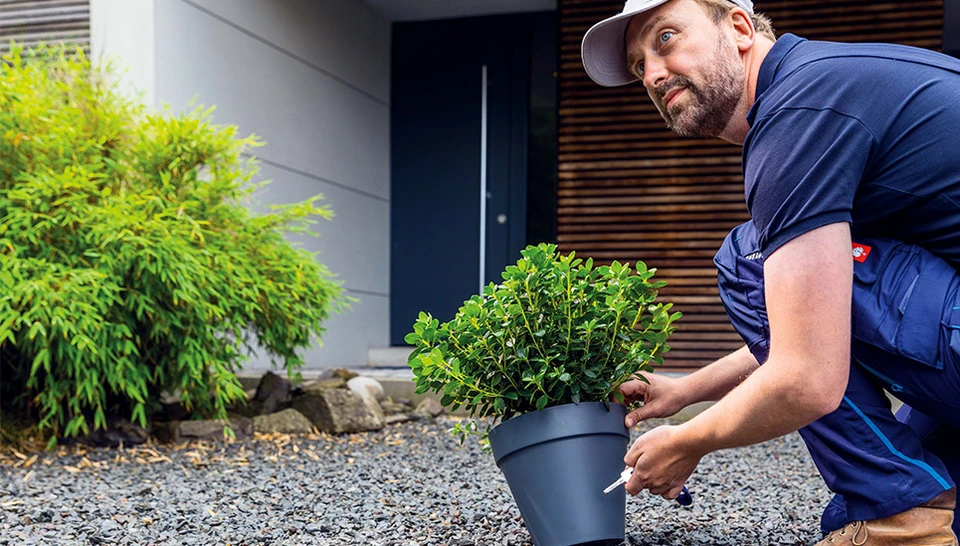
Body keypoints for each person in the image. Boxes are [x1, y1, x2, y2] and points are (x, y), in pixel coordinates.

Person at [580, 0, 960, 543]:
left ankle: (906, 527)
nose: (653, 74)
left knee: (748, 256)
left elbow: (807, 375)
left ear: (737, 27)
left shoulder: (800, 113)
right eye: (640, 65)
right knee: (871, 502)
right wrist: (688, 390)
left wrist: (687, 440)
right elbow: (818, 318)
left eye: (665, 38)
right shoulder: (832, 83)